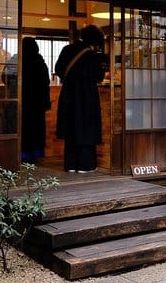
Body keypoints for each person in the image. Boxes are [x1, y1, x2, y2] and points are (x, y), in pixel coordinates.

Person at [55, 25, 108, 173]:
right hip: (87, 94)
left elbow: (58, 69)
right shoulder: (94, 55)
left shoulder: (67, 49)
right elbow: (99, 77)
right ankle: (86, 165)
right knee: (87, 126)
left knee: (70, 126)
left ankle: (71, 165)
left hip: (68, 93)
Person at [19, 37, 51, 164]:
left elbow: (5, 77)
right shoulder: (40, 61)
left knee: (24, 128)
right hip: (37, 102)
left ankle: (22, 154)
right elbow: (46, 82)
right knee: (36, 129)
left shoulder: (18, 59)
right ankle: (35, 155)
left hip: (23, 101)